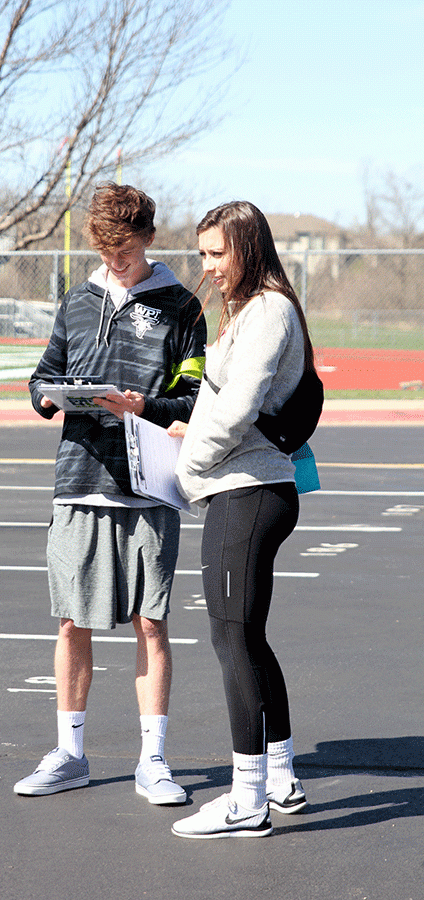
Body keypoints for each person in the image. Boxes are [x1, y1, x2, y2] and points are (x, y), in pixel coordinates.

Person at [14, 182, 206, 804]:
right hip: (79, 480)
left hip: (149, 486)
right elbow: (43, 374)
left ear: (149, 237)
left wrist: (142, 405)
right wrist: (47, 394)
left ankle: (154, 760)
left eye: (123, 250)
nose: (114, 261)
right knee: (72, 622)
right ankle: (70, 753)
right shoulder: (77, 299)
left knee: (151, 622)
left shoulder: (183, 307)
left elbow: (198, 398)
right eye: (104, 250)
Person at [168, 200, 312, 838]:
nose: (209, 266)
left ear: (248, 248)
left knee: (230, 641)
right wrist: (188, 429)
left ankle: (246, 800)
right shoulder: (254, 311)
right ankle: (279, 776)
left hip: (246, 494)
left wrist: (187, 466)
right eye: (202, 253)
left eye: (217, 253)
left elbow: (237, 411)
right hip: (250, 489)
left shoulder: (270, 310)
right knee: (248, 638)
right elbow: (222, 409)